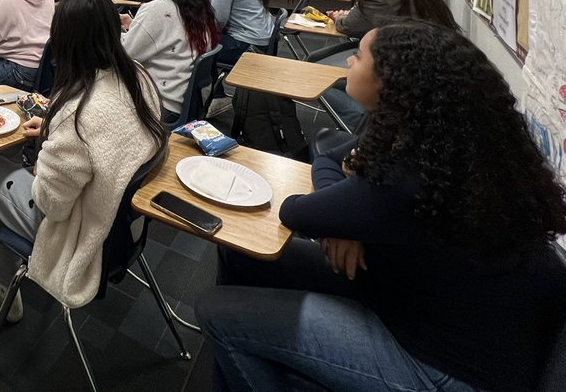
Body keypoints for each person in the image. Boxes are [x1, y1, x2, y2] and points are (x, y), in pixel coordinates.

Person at [197, 21, 566, 392]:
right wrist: (345, 221)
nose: (348, 64)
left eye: (358, 57)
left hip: (442, 366)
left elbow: (295, 210)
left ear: (390, 82)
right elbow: (327, 161)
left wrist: (343, 217)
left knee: (215, 311)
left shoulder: (407, 178)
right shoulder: (440, 136)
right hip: (421, 305)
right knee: (240, 254)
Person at [0, 0, 168, 311]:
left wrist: (47, 153)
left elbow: (51, 205)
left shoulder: (77, 115)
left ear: (64, 43)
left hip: (82, 238)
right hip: (126, 230)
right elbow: (108, 136)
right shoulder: (139, 77)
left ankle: (0, 284)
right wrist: (51, 131)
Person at [120, 0, 220, 120]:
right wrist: (134, 26)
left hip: (162, 102)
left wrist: (109, 31)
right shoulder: (193, 2)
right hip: (186, 98)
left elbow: (125, 54)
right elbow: (170, 35)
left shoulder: (156, 9)